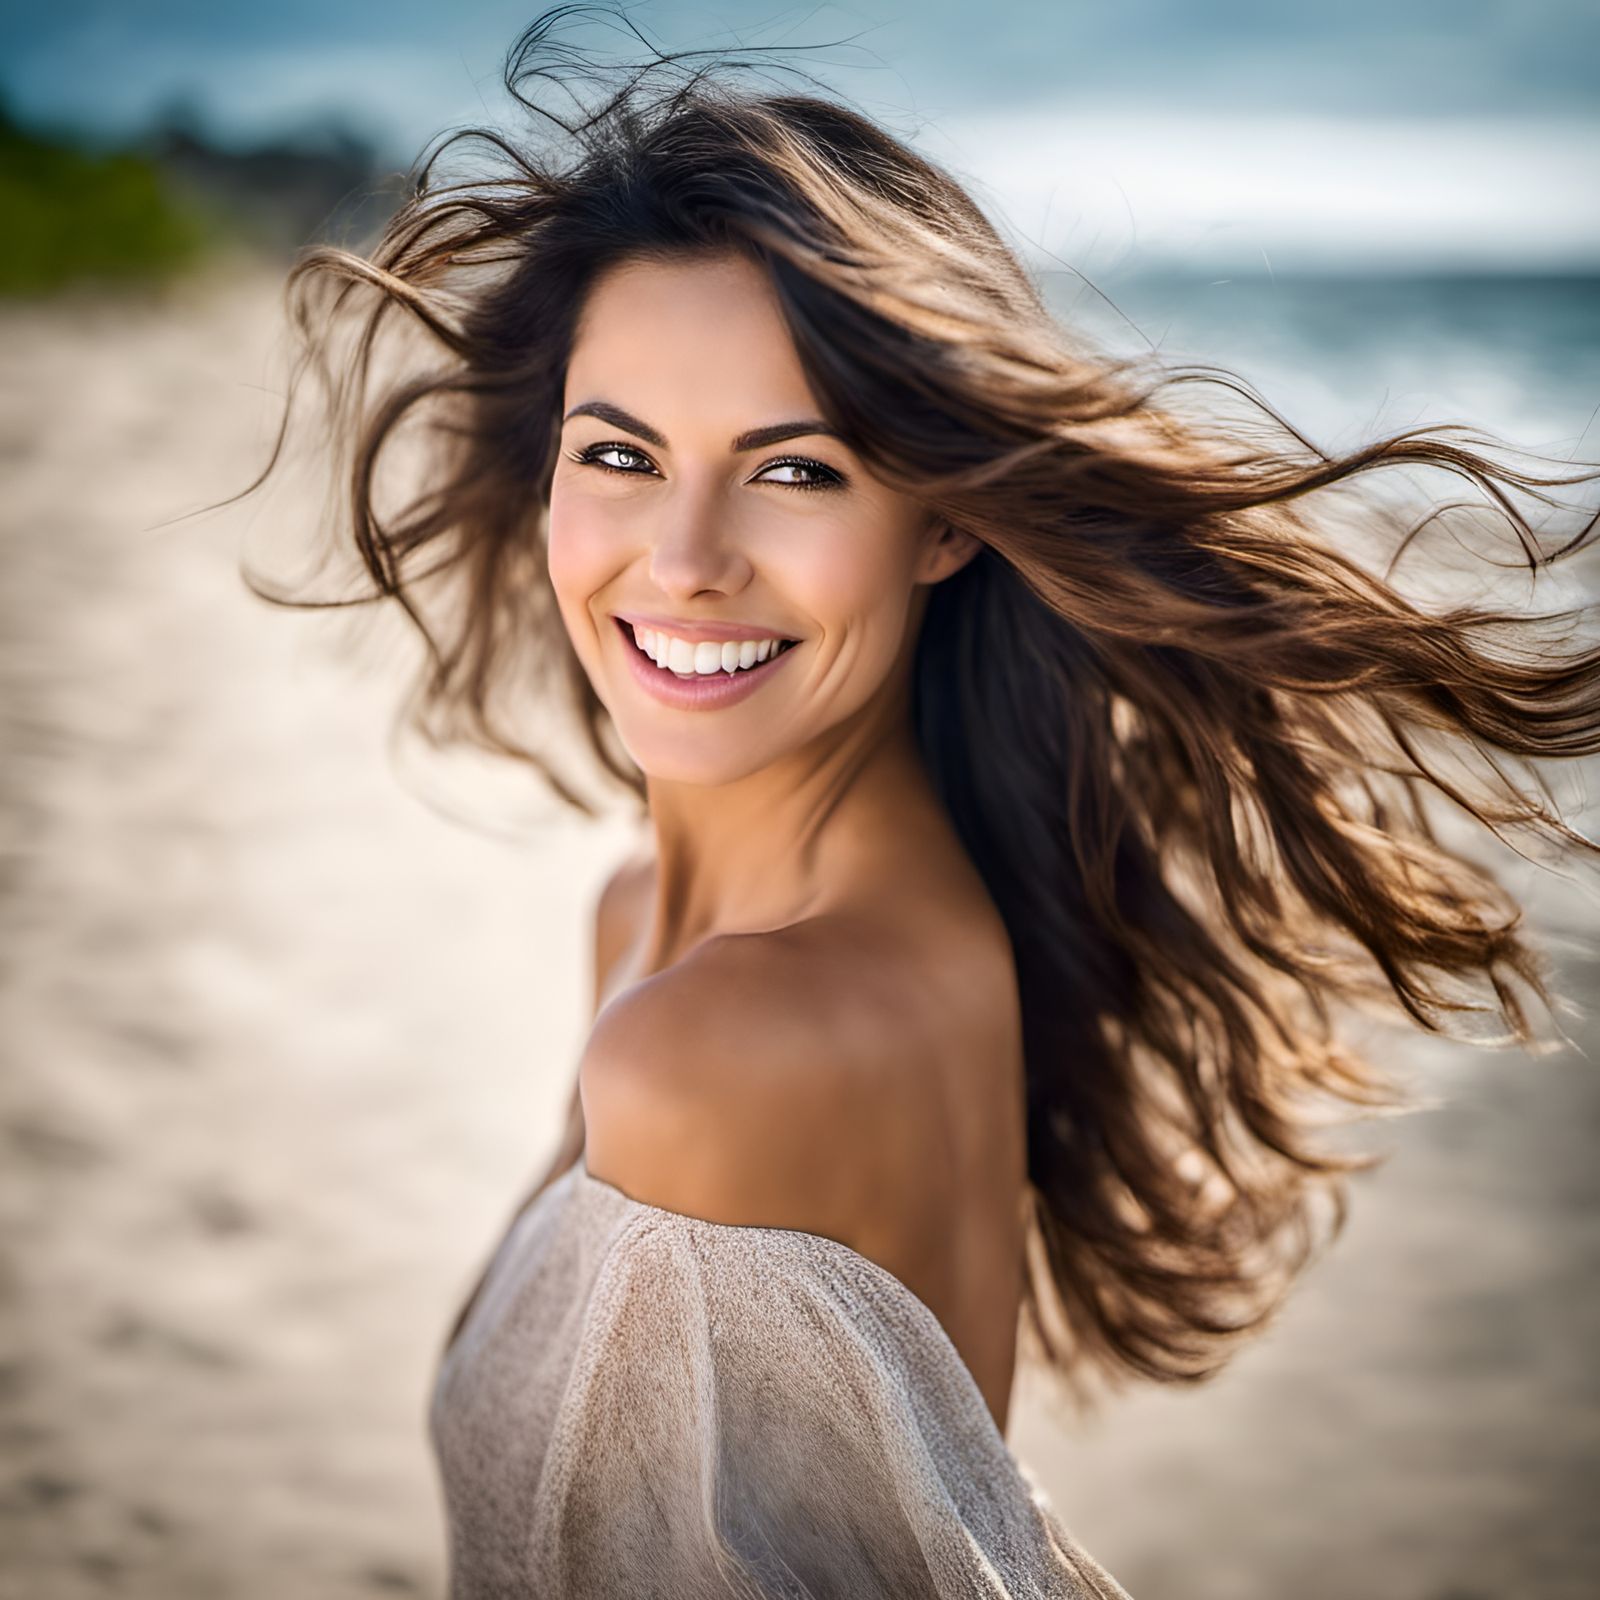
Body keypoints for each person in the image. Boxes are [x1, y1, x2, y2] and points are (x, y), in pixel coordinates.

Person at [230, 8, 1600, 1596]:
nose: (682, 558)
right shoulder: (686, 929)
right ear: (547, 470)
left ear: (942, 525)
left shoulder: (719, 1047)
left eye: (796, 469)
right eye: (620, 453)